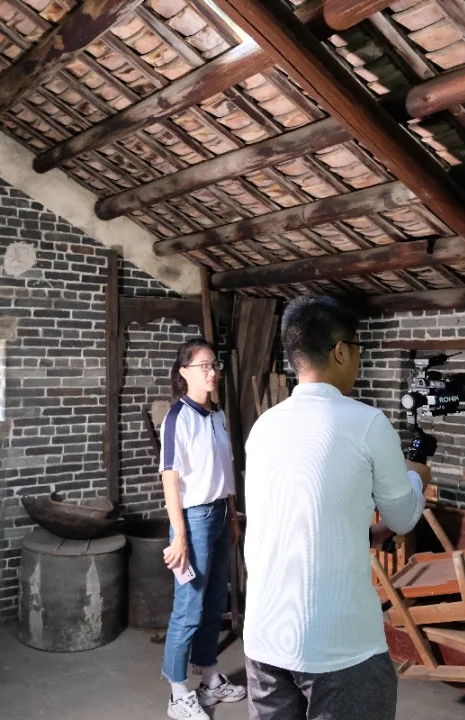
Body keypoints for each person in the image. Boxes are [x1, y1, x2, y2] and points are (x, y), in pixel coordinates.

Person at [242, 296, 430, 720]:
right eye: (358, 349)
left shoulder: (264, 426)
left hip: (265, 636)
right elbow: (404, 517)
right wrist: (417, 477)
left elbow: (302, 515)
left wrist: (365, 533)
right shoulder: (367, 422)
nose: (358, 360)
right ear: (340, 350)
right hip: (339, 645)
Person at [158, 338, 246, 720]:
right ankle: (178, 693)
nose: (211, 372)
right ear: (184, 373)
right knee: (189, 608)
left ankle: (210, 680)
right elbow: (170, 478)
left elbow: (225, 469)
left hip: (220, 515)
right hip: (193, 521)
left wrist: (233, 515)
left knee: (213, 603)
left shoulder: (217, 414)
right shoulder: (178, 417)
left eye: (214, 365)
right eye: (203, 366)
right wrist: (179, 536)